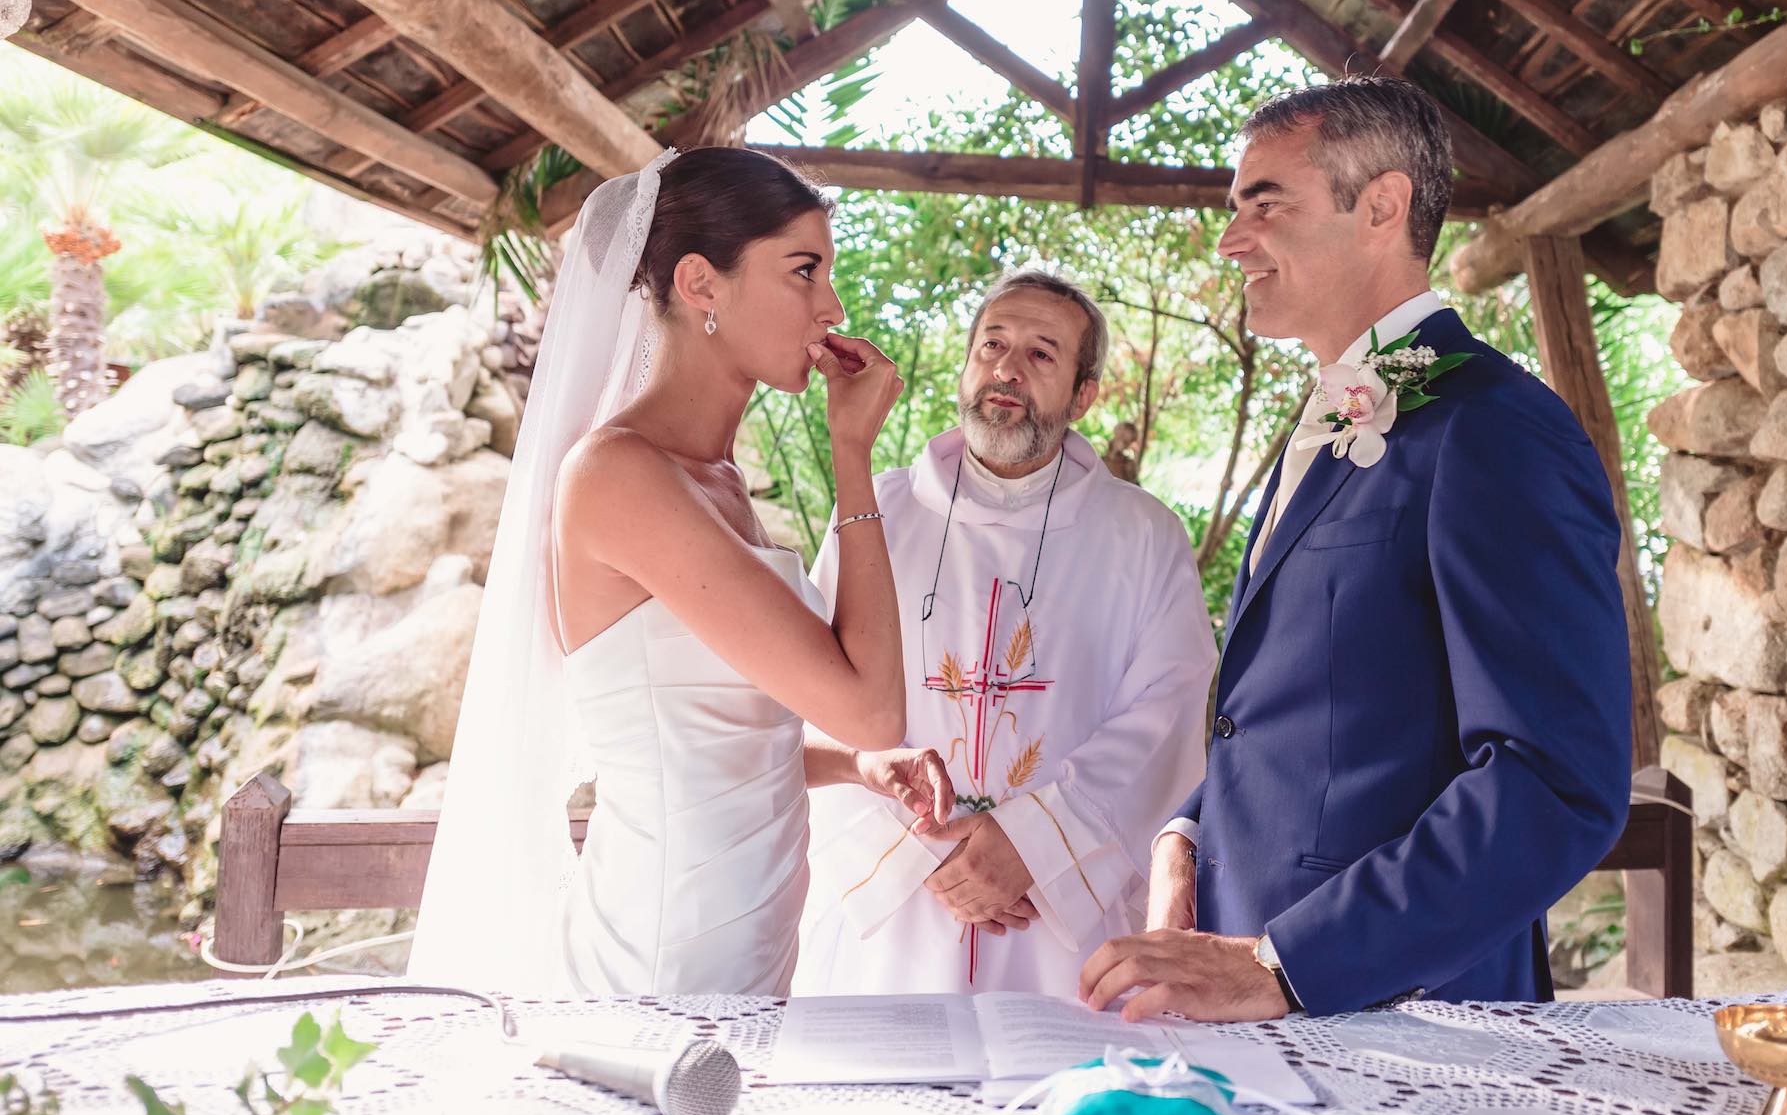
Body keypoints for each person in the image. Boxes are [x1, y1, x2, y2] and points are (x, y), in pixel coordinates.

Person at [1080, 77, 1632, 1021]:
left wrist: (1289, 965)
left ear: (1381, 206)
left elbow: (1552, 780)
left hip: (1405, 1011)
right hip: (1251, 987)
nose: (1230, 240)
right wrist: (1189, 833)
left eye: (1265, 205)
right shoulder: (1334, 418)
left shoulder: (1496, 428)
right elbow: (1313, 713)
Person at [410, 147, 958, 995]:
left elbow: (714, 736)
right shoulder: (620, 476)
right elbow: (873, 710)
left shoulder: (719, 484)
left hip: (750, 944)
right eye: (804, 272)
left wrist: (855, 767)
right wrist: (853, 456)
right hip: (662, 953)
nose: (833, 307)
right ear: (701, 284)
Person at [794, 271, 1216, 999]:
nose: (1007, 369)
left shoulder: (1143, 535)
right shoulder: (876, 511)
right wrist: (923, 860)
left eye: (1042, 354)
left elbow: (1166, 717)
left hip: (1057, 918)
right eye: (992, 345)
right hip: (898, 913)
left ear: (1083, 396)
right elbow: (815, 695)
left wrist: (1036, 845)